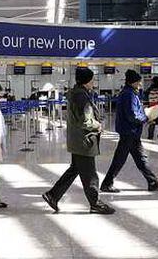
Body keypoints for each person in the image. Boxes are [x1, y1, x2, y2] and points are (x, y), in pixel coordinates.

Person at [42, 68, 115, 214]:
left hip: (77, 140)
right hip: (84, 141)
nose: (93, 82)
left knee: (75, 169)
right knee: (90, 175)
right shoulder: (81, 96)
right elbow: (85, 121)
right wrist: (98, 125)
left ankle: (53, 195)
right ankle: (95, 203)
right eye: (92, 80)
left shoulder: (76, 93)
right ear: (87, 81)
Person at [101, 70, 158, 193]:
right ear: (133, 82)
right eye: (138, 82)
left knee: (140, 158)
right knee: (120, 160)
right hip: (129, 132)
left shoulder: (130, 93)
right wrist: (145, 118)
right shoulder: (129, 95)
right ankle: (107, 184)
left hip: (132, 132)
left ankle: (152, 181)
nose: (140, 84)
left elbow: (134, 112)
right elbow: (132, 115)